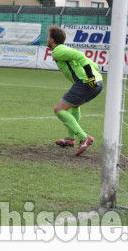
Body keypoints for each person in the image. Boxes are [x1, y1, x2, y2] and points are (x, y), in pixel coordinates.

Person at [47, 25, 102, 156]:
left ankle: (84, 137)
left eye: (48, 37)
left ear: (52, 40)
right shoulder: (66, 49)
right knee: (75, 106)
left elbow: (80, 56)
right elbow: (95, 66)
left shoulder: (58, 50)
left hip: (85, 82)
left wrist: (89, 77)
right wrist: (93, 77)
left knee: (59, 110)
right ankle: (70, 139)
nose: (47, 39)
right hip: (99, 82)